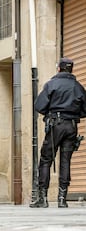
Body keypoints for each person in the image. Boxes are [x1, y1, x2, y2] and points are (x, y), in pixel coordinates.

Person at [31, 57, 86, 208]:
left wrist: (51, 112)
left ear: (59, 69)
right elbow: (85, 109)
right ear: (71, 69)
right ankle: (62, 199)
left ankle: (43, 198)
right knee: (65, 161)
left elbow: (39, 105)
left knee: (46, 159)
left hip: (56, 124)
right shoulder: (77, 86)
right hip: (71, 126)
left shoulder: (51, 84)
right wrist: (73, 114)